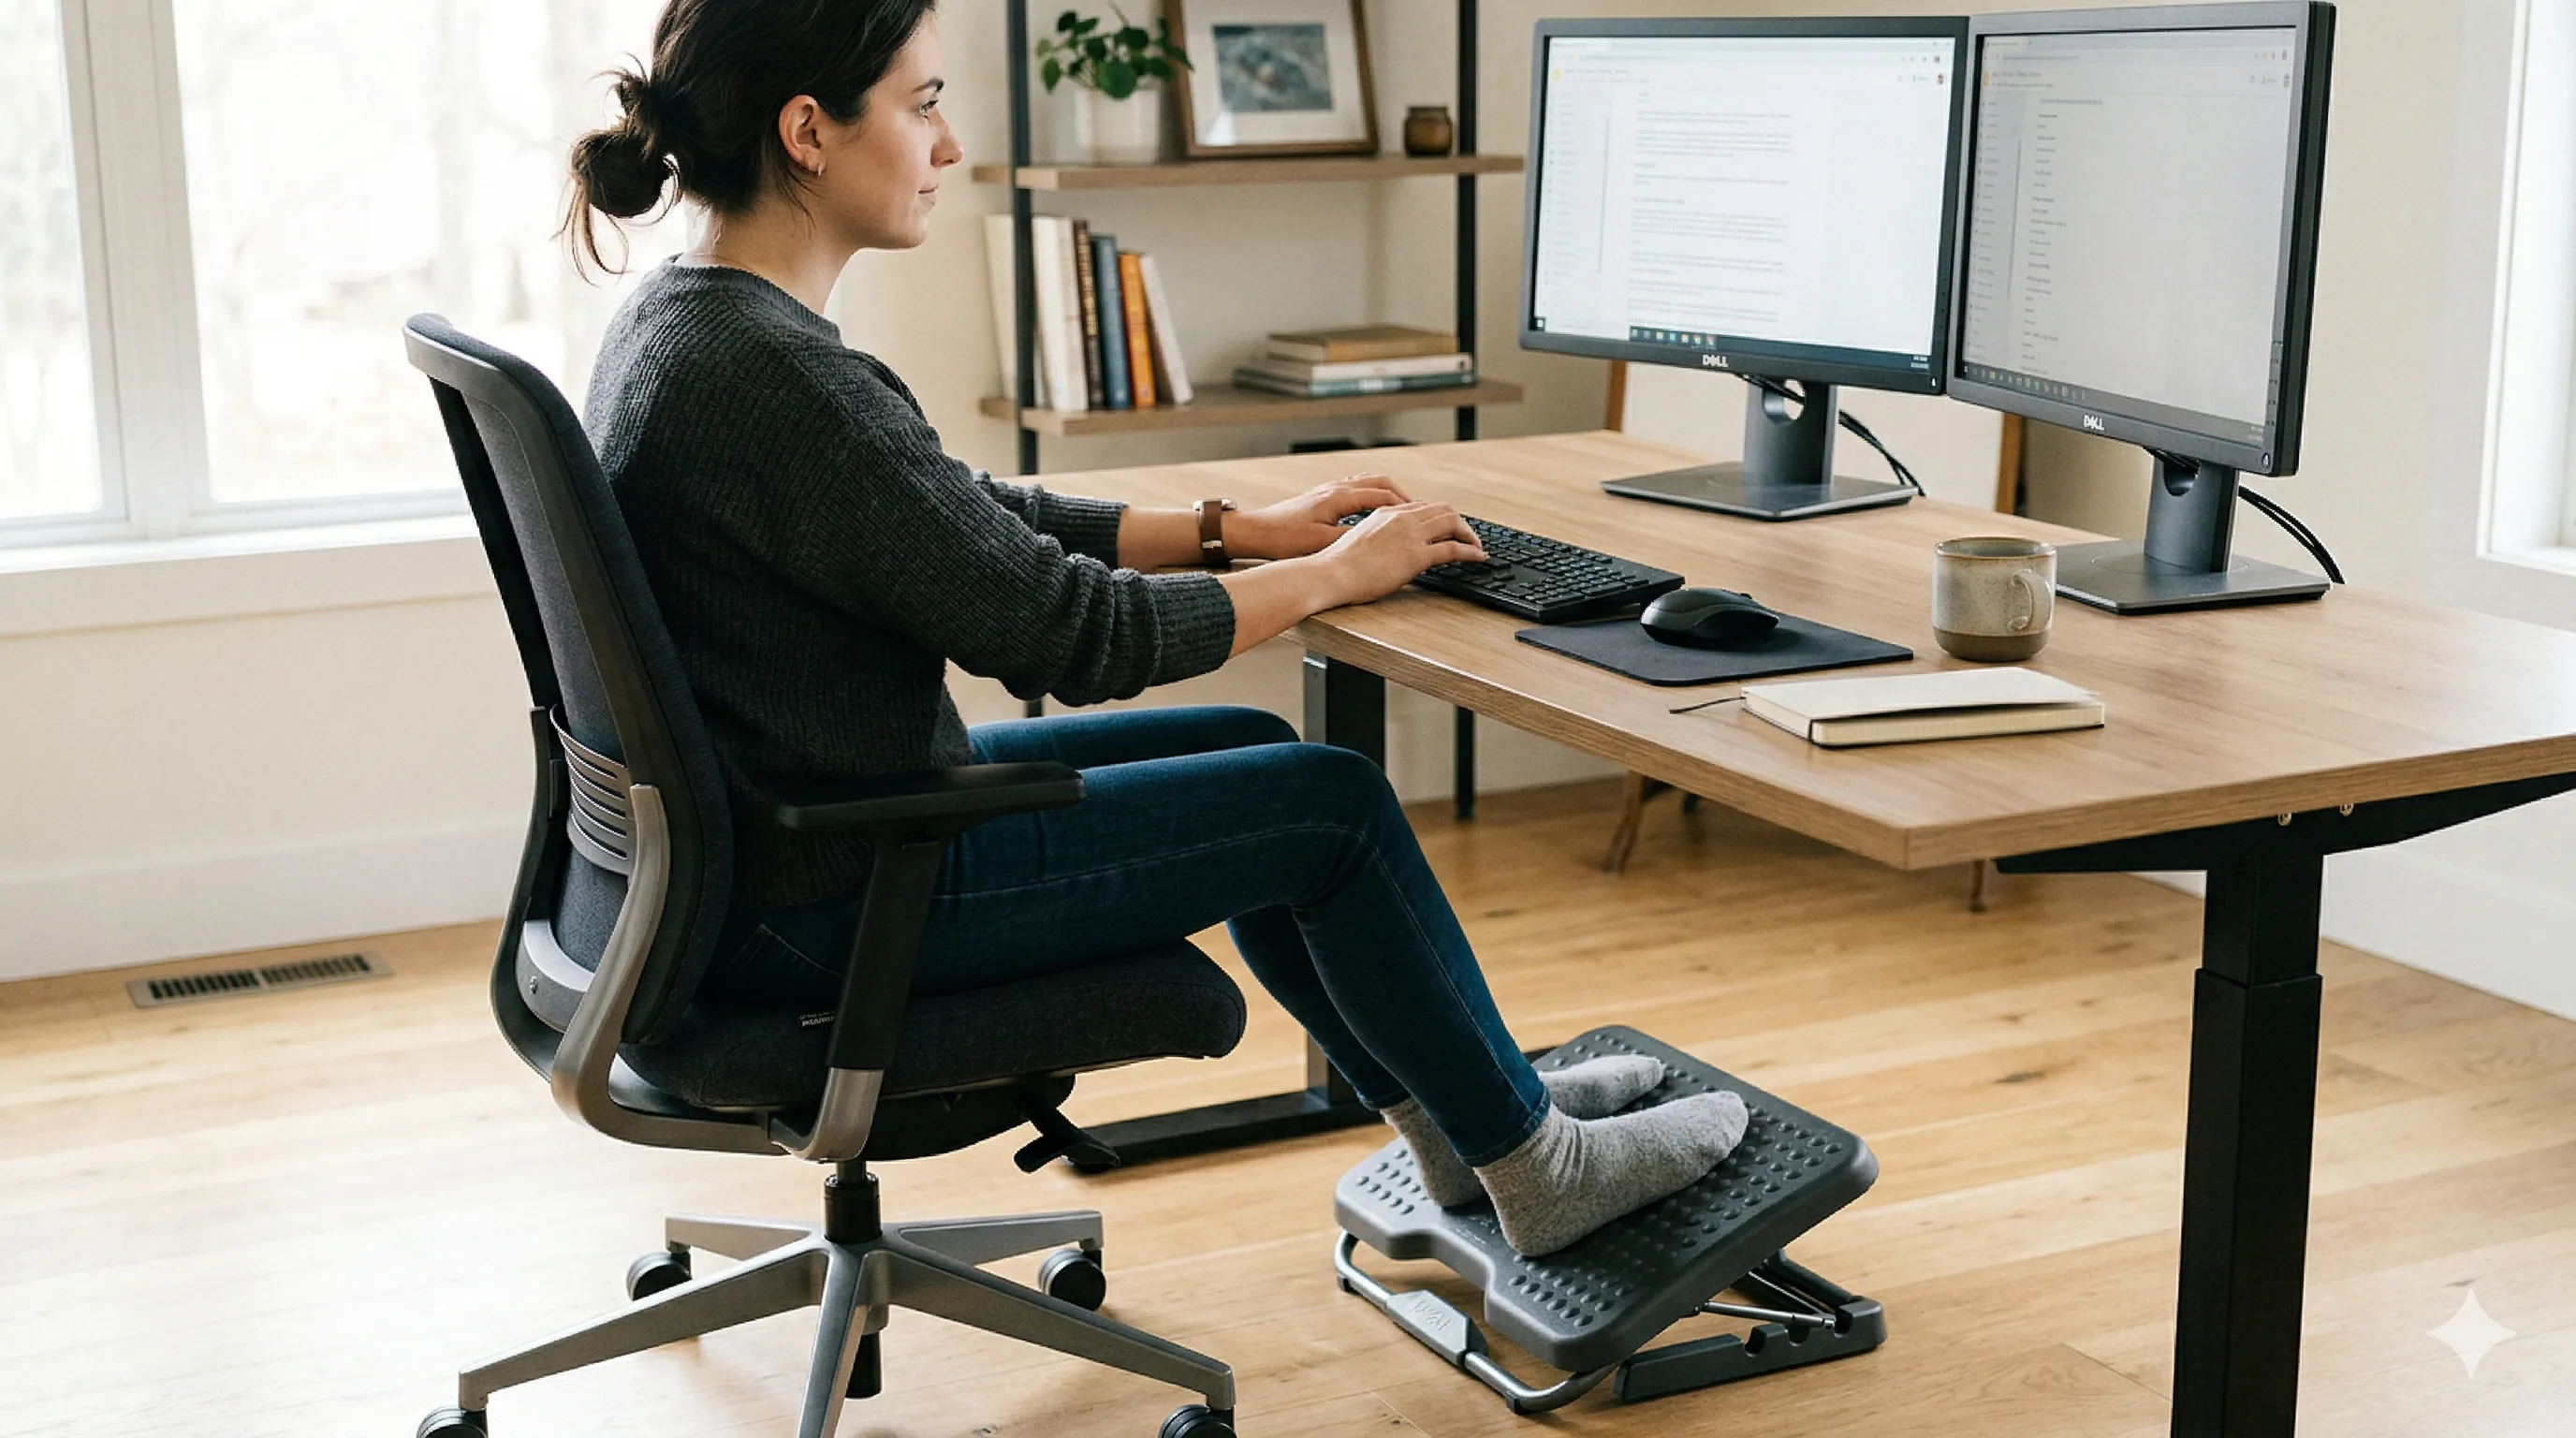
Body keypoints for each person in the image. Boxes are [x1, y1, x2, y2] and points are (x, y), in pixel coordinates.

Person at [565, 0, 1744, 1257]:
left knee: (1252, 745)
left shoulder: (684, 326)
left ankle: (1472, 1124)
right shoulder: (778, 379)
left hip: (769, 863)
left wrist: (1247, 529)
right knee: (1325, 810)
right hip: (840, 900)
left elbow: (959, 517)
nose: (949, 145)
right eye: (922, 106)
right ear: (808, 131)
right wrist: (1343, 576)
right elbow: (1074, 636)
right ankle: (1534, 1164)